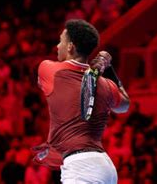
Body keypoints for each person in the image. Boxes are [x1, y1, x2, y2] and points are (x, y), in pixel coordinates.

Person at [32, 19, 130, 183]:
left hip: (81, 167)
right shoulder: (106, 84)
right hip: (105, 167)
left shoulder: (49, 69)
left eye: (61, 41)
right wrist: (109, 70)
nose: (57, 46)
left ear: (70, 46)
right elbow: (125, 105)